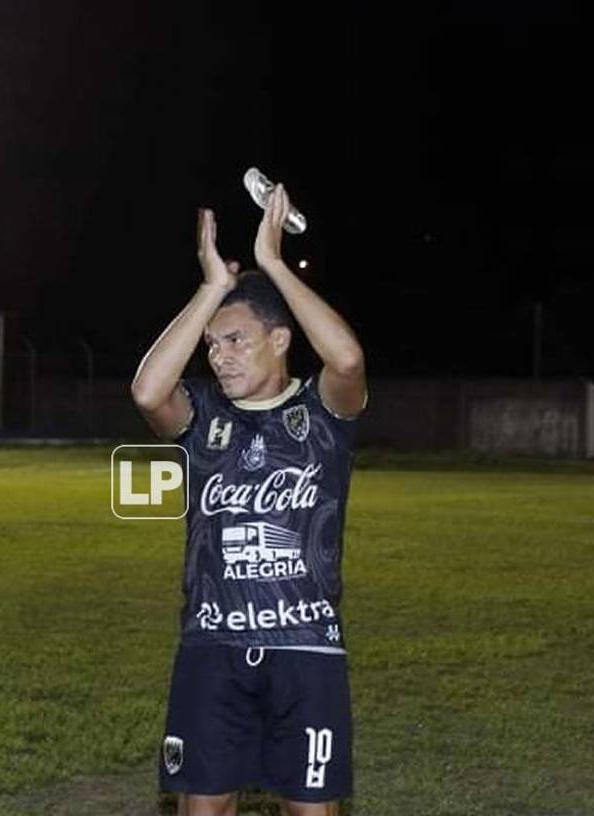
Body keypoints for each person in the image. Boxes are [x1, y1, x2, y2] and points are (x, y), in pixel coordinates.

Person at [132, 183, 367, 816]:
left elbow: (346, 356)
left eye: (235, 340)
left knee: (310, 810)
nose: (219, 355)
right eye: (213, 344)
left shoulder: (322, 411)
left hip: (306, 650)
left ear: (280, 340)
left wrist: (274, 265)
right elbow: (150, 394)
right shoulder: (202, 412)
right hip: (213, 649)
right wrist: (211, 289)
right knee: (203, 807)